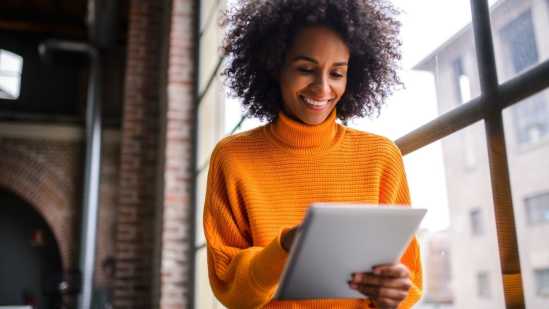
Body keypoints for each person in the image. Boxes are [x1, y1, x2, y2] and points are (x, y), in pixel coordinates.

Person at [203, 0, 423, 308]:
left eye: (337, 73)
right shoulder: (233, 157)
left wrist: (393, 296)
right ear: (274, 66)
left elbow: (409, 281)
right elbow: (232, 291)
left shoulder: (381, 156)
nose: (322, 88)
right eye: (306, 69)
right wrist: (284, 248)